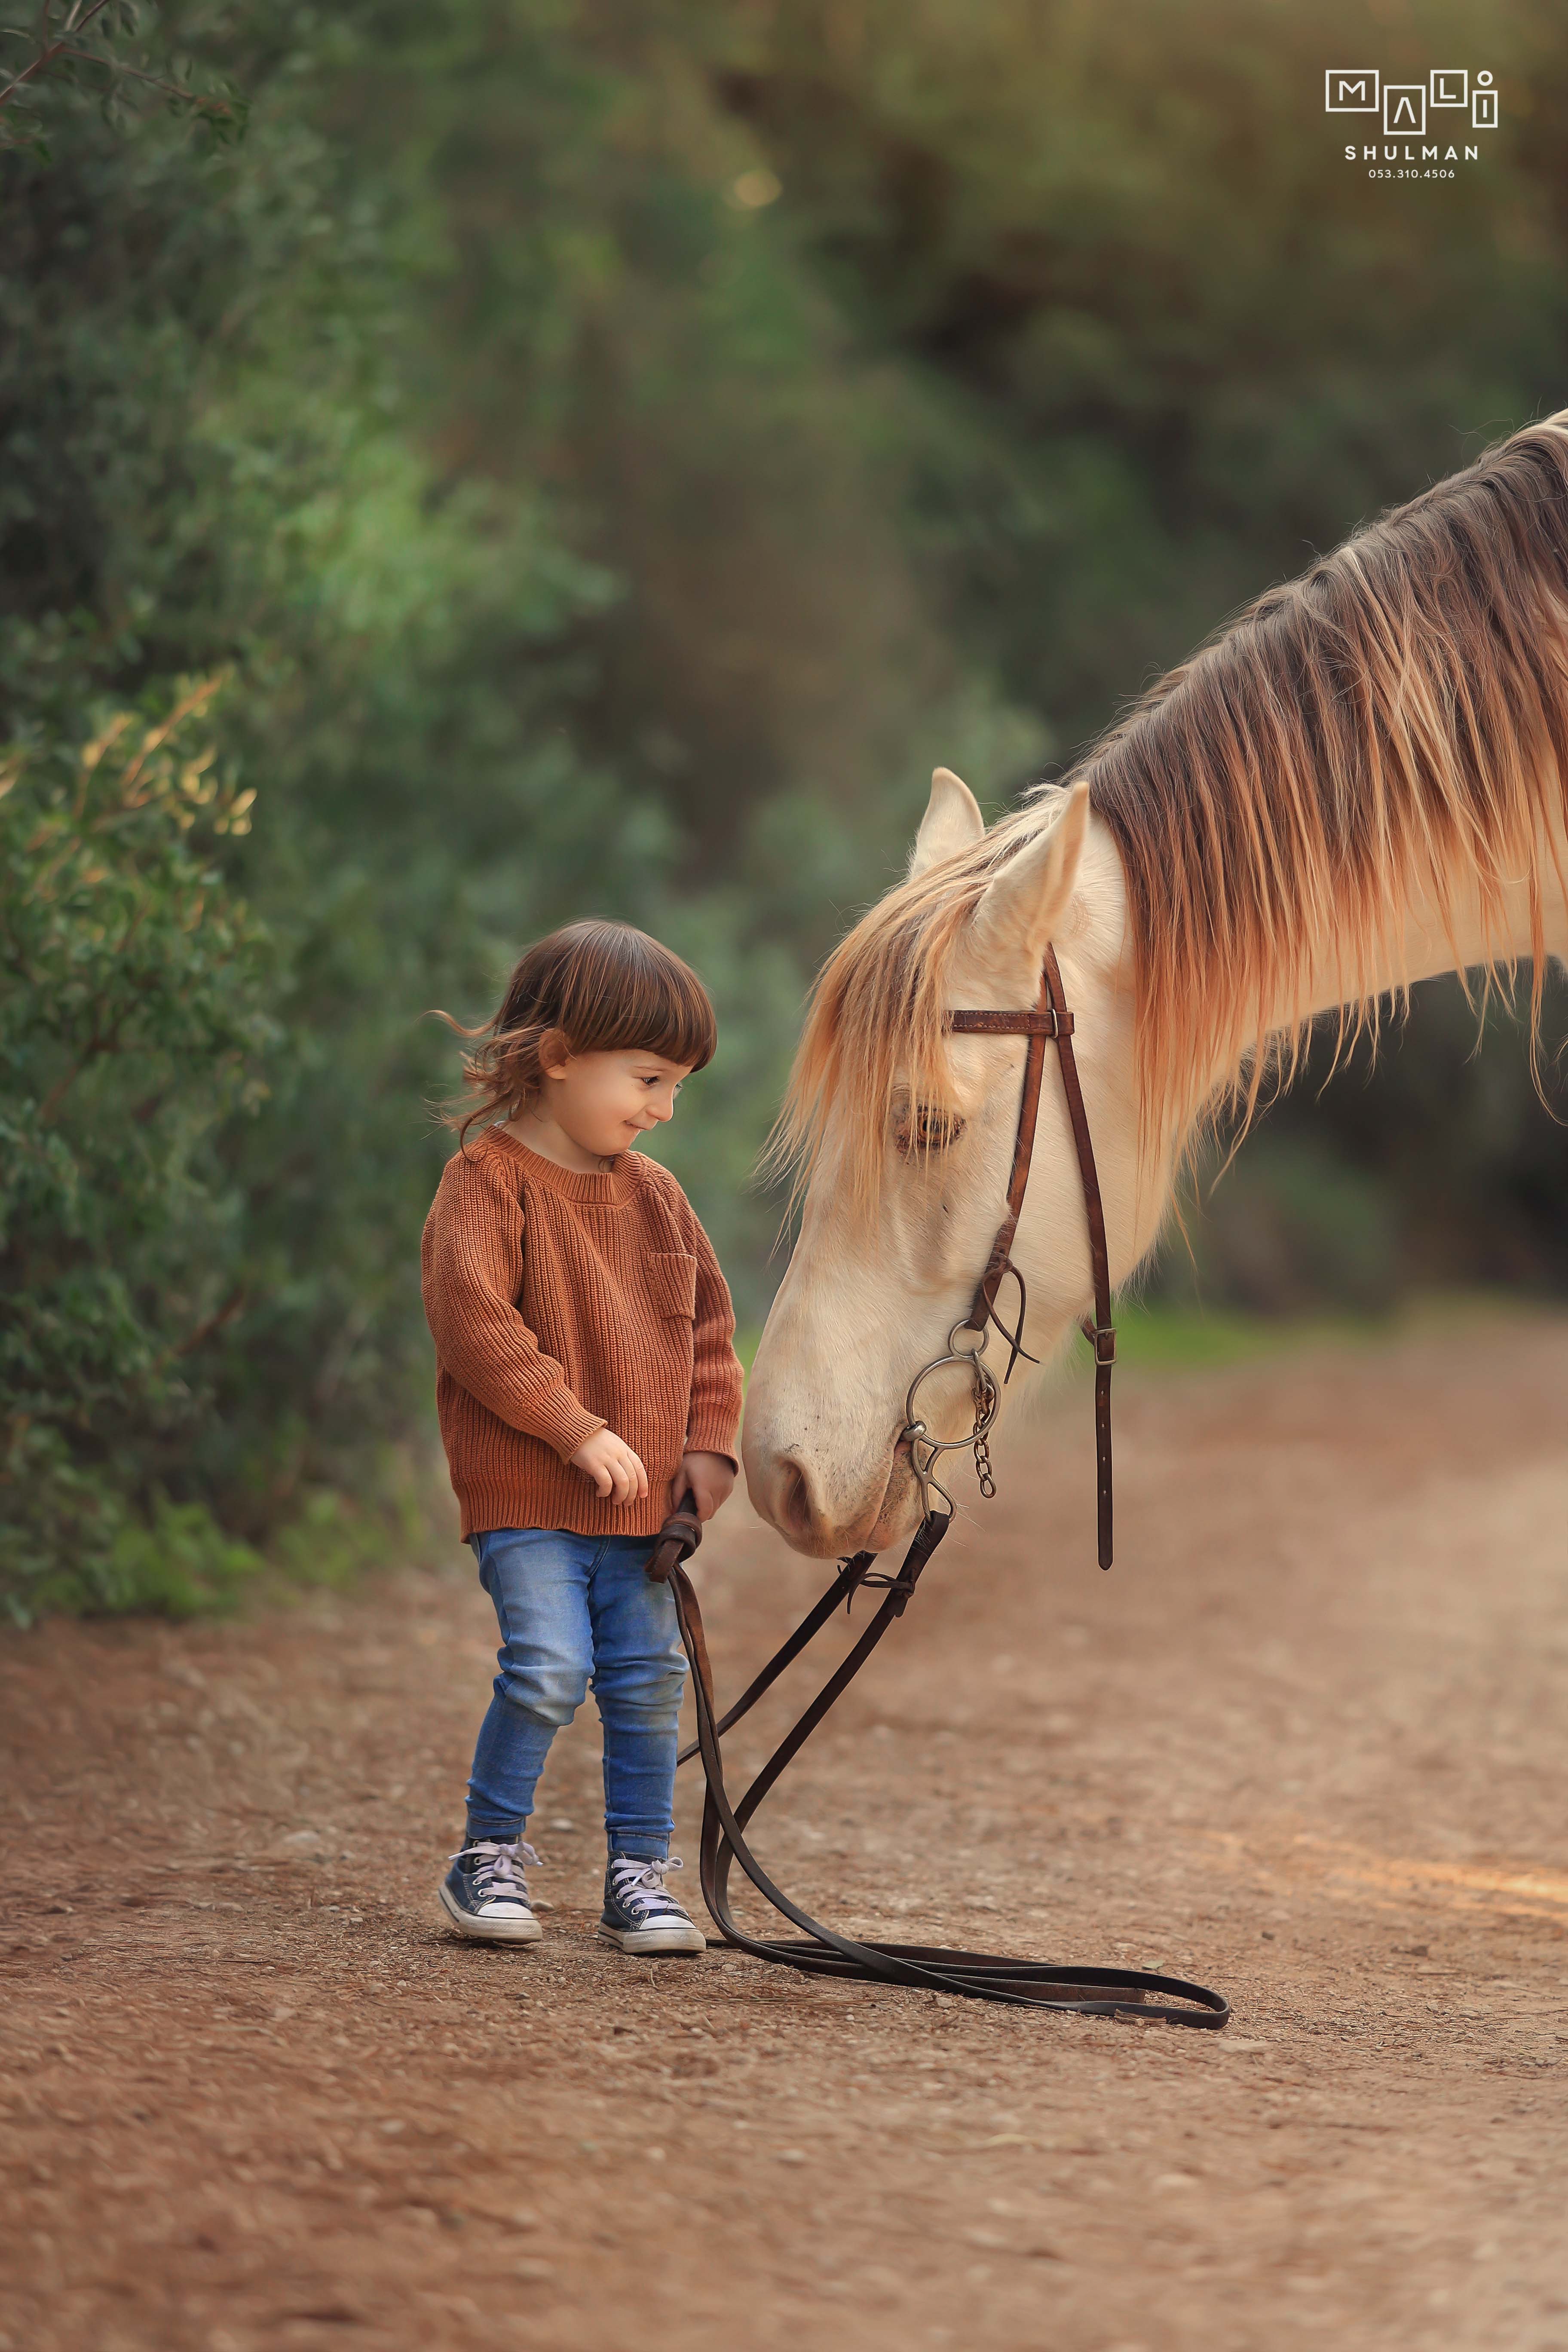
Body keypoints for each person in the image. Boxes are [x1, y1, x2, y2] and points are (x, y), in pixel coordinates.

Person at [421, 919, 743, 1956]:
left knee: (650, 1686)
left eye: (678, 1088)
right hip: (531, 1500)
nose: (663, 1109)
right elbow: (474, 1322)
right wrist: (576, 1430)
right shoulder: (486, 1181)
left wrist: (706, 1455)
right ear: (558, 1057)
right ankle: (489, 1859)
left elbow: (709, 1337)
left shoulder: (658, 1200)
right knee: (551, 1668)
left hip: (640, 1513)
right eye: (648, 1078)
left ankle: (638, 1877)